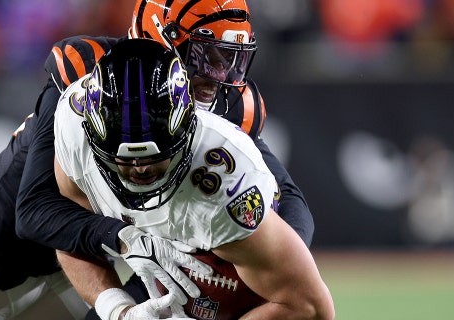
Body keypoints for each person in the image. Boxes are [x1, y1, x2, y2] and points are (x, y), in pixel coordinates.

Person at [52, 38, 334, 320]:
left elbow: (310, 307)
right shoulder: (73, 129)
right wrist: (119, 311)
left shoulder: (226, 184)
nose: (139, 170)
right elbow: (69, 231)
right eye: (124, 159)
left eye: (153, 158)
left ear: (187, 129)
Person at [32, 0, 315, 246]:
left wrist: (283, 261)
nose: (219, 76)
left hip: (103, 256)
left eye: (230, 58)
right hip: (13, 258)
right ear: (162, 37)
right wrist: (128, 243)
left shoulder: (234, 105)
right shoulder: (88, 75)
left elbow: (288, 197)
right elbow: (34, 209)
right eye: (207, 56)